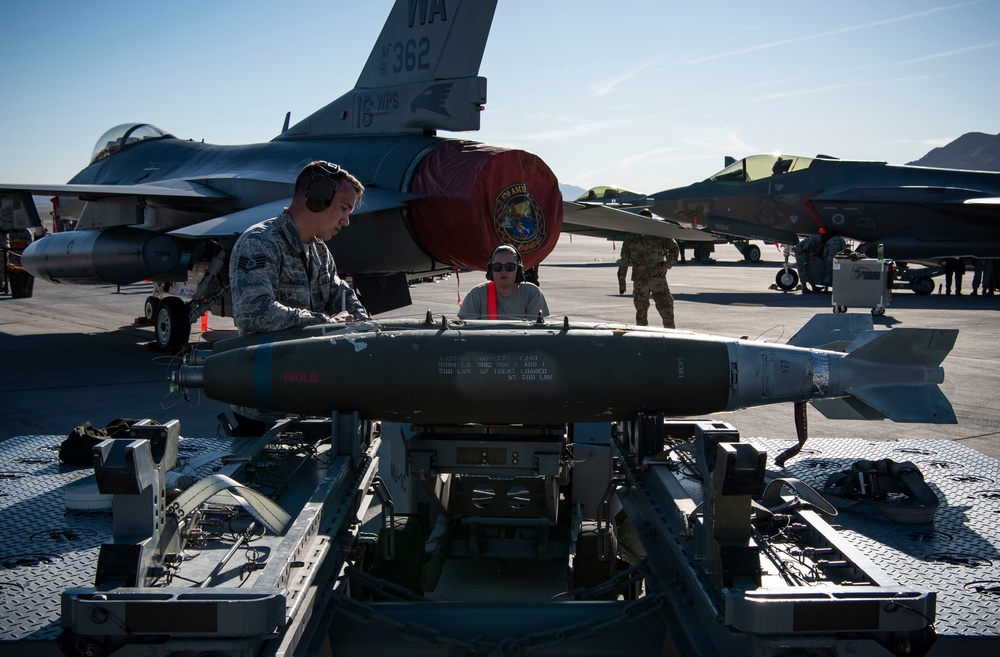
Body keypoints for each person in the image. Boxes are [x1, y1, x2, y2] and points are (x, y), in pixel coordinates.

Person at [227, 160, 370, 434]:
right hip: (264, 410)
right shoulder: (260, 242)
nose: (346, 221)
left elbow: (341, 294)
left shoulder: (319, 251)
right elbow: (254, 311)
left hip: (310, 402)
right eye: (343, 208)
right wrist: (325, 323)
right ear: (317, 199)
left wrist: (361, 324)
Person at [617, 209, 680, 328]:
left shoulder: (659, 235)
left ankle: (671, 334)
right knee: (641, 312)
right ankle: (642, 337)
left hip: (657, 278)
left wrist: (667, 265)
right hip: (640, 280)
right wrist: (622, 282)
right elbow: (624, 261)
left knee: (666, 309)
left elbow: (674, 249)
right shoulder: (631, 238)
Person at [458, 244, 549, 320]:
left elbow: (535, 332)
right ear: (490, 270)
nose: (503, 271)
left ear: (519, 270)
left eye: (510, 266)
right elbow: (464, 330)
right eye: (497, 267)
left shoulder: (532, 293)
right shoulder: (476, 294)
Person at [794, 228, 847, 292]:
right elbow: (806, 247)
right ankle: (804, 287)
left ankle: (814, 287)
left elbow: (824, 253)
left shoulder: (823, 240)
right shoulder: (816, 239)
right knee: (803, 269)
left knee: (810, 269)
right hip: (801, 252)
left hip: (809, 254)